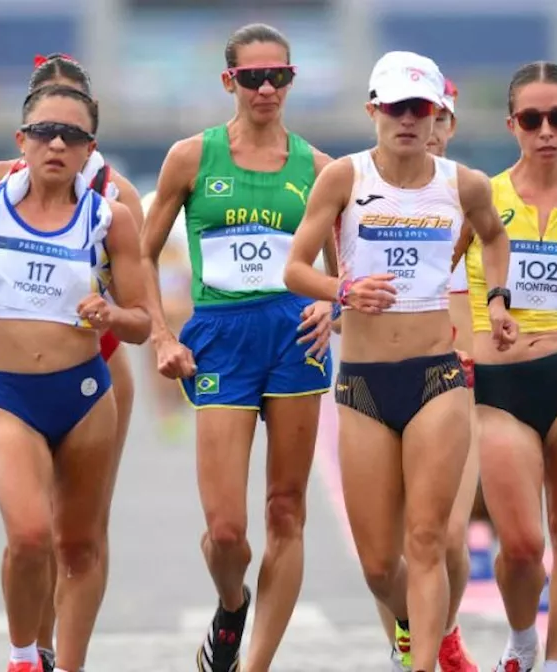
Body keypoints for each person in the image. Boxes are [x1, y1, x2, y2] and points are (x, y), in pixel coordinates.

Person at [284, 50, 515, 672]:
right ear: (373, 111)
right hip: (362, 383)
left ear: (438, 112)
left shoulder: (462, 183)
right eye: (394, 107)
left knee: (431, 541)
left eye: (419, 108)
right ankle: (422, 630)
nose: (407, 120)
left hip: (436, 377)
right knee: (380, 563)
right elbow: (295, 267)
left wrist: (496, 299)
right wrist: (342, 293)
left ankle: (426, 653)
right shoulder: (344, 180)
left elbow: (495, 236)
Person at [0, 83, 151, 672]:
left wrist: (111, 313)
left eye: (73, 135)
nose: (57, 144)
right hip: (12, 398)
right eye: (45, 131)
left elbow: (142, 323)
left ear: (90, 149)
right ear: (22, 140)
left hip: (88, 397)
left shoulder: (109, 217)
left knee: (79, 545)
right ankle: (23, 656)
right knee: (29, 537)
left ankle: (66, 664)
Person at [140, 23, 340, 672]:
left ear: (291, 80)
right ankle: (232, 604)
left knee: (286, 509)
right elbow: (138, 254)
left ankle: (254, 663)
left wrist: (329, 303)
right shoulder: (191, 158)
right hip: (221, 338)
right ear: (229, 82)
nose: (265, 88)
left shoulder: (319, 167)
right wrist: (162, 336)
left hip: (293, 341)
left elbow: (342, 269)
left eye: (277, 76)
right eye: (252, 77)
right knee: (227, 531)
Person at [455, 61, 557, 672]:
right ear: (513, 124)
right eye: (533, 119)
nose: (547, 131)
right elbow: (441, 282)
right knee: (520, 544)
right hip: (498, 386)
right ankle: (521, 639)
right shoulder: (483, 195)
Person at [367, 76, 480, 672]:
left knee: (447, 536)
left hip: (457, 379)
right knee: (387, 551)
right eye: (405, 111)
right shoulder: (372, 192)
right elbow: (342, 275)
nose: (423, 128)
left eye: (434, 116)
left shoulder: (469, 193)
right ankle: (409, 641)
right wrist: (334, 304)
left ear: (448, 124)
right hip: (381, 379)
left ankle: (445, 633)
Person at [139, 189, 196, 442]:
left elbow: (190, 284)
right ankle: (166, 412)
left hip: (179, 314)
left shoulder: (182, 257)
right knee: (157, 367)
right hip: (158, 314)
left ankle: (177, 407)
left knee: (180, 365)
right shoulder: (152, 257)